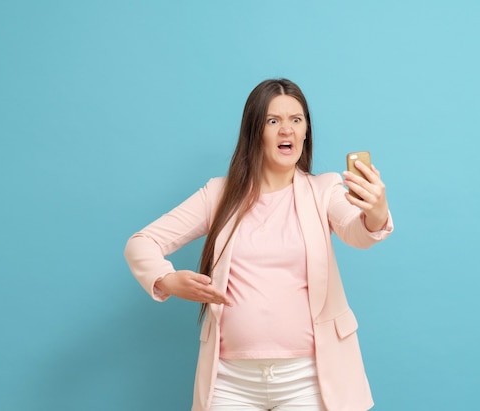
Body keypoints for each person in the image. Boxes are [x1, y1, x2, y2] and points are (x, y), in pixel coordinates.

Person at [124, 78, 394, 411]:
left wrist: (376, 211)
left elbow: (358, 232)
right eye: (273, 120)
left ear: (306, 130)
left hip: (309, 379)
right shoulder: (219, 194)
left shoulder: (325, 190)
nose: (287, 130)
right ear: (255, 131)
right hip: (230, 381)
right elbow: (141, 242)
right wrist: (166, 280)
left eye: (296, 120)